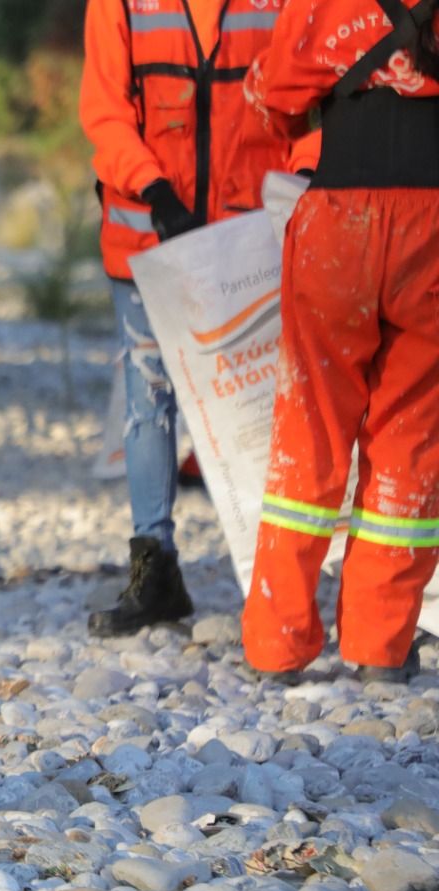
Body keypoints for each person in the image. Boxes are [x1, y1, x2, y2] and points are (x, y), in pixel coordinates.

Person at [79, 0, 312, 636]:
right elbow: (104, 114)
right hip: (149, 246)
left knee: (266, 405)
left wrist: (304, 177)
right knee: (147, 404)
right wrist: (153, 189)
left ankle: (280, 576)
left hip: (252, 248)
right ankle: (154, 570)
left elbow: (313, 100)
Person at [241, 0, 439, 684]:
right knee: (412, 435)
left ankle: (277, 645)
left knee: (311, 430)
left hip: (339, 218)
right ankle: (380, 647)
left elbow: (275, 91)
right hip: (434, 227)